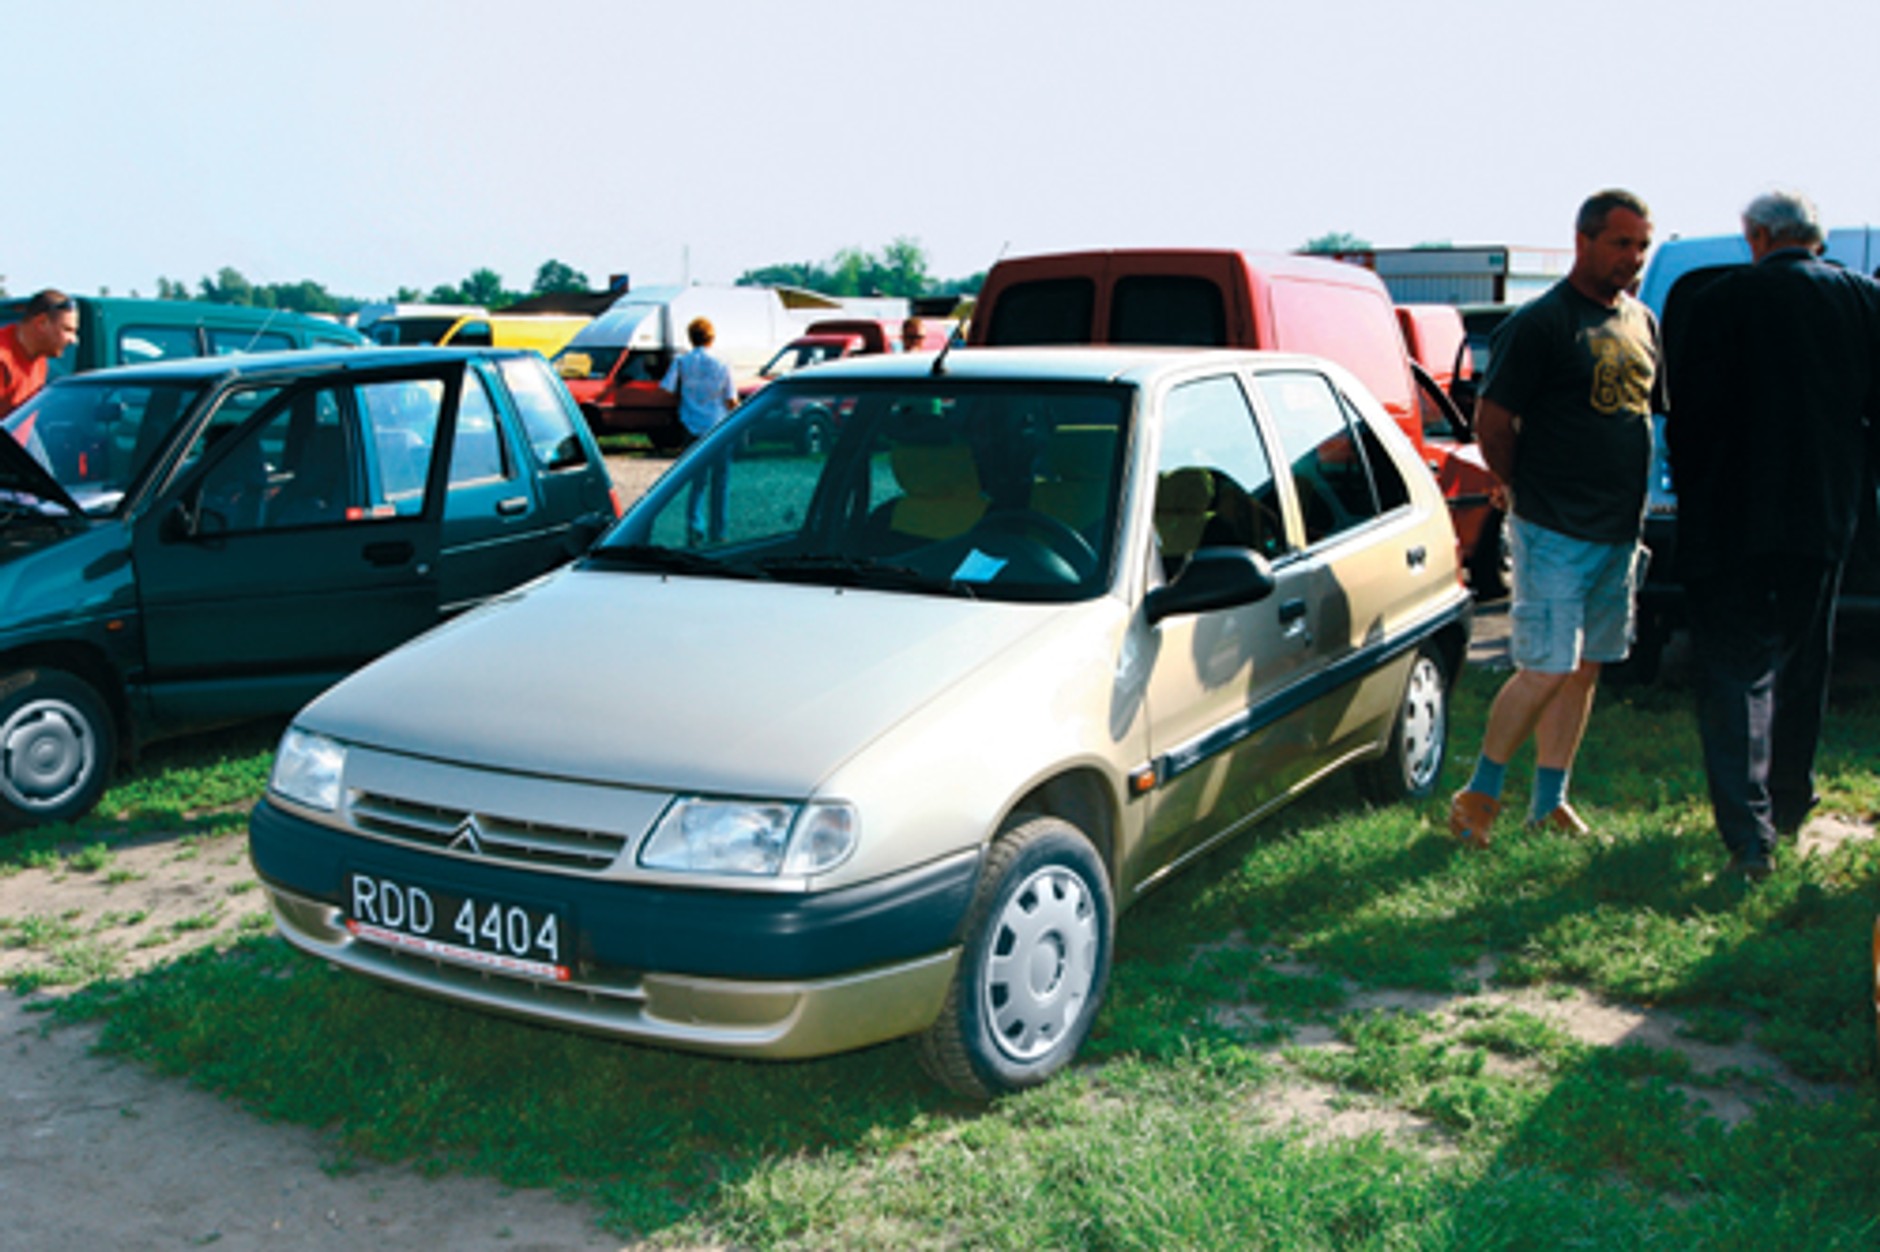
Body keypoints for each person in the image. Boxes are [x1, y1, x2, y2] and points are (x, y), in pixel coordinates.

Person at [1667, 189, 1880, 881]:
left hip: (1728, 517)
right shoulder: (1862, 299)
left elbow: (1685, 418)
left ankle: (1748, 837)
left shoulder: (1714, 301)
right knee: (1803, 662)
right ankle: (1790, 801)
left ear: (1756, 235)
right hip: (1821, 515)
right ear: (1814, 239)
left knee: (1732, 673)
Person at [1449, 190, 1663, 849]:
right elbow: (1492, 420)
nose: (1632, 257)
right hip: (1554, 529)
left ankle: (1549, 803)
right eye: (1620, 243)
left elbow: (1643, 414)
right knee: (1546, 665)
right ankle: (1477, 797)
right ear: (1584, 242)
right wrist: (1514, 484)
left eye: (1641, 245)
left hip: (1618, 530)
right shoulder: (1541, 323)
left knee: (1585, 666)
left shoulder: (1642, 321)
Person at [659, 316, 738, 543]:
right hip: (719, 426)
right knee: (720, 481)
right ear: (711, 337)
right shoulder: (722, 362)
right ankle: (719, 530)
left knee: (697, 479)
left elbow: (666, 388)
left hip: (691, 425)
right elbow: (730, 398)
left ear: (691, 338)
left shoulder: (682, 362)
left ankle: (695, 524)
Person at [1, 289, 80, 420]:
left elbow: (24, 423)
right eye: (67, 329)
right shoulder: (3, 359)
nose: (73, 340)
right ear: (41, 323)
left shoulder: (40, 360)